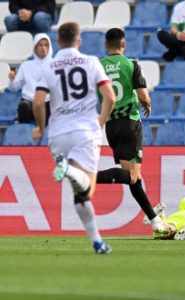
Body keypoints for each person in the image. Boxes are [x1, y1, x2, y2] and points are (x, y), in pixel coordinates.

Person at [32, 22, 116, 254]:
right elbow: (110, 97)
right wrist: (101, 120)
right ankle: (67, 170)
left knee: (79, 194)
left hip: (58, 133)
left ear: (58, 41)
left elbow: (38, 102)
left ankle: (97, 242)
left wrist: (41, 127)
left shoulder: (48, 67)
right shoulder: (91, 62)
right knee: (86, 191)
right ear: (79, 41)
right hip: (85, 132)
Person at [96, 28, 173, 235]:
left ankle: (154, 219)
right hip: (130, 123)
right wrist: (147, 104)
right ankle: (89, 177)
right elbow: (143, 96)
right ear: (123, 45)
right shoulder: (131, 64)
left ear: (106, 45)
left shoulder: (98, 67)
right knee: (132, 176)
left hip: (111, 127)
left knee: (134, 178)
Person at [8, 33, 52, 125]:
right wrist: (12, 79)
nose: (43, 48)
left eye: (46, 45)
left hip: (47, 101)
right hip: (29, 101)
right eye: (40, 45)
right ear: (35, 47)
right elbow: (14, 88)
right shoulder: (25, 65)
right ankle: (24, 136)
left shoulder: (55, 65)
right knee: (23, 106)